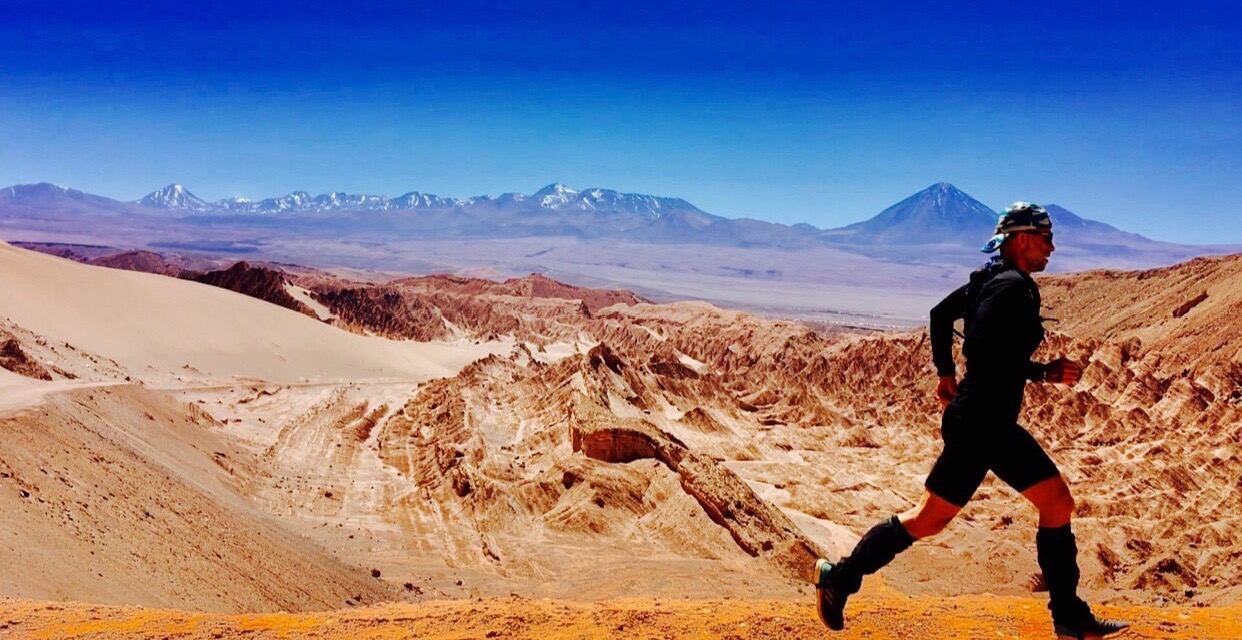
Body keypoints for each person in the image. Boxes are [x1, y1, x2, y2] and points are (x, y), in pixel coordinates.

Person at [812, 203, 1129, 639]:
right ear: (1022, 239)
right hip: (984, 423)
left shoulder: (990, 280)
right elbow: (987, 352)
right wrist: (1045, 373)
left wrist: (945, 374)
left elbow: (940, 316)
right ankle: (1069, 618)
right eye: (1046, 238)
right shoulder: (1011, 288)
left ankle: (839, 578)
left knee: (933, 518)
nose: (1052, 248)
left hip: (980, 420)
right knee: (1048, 504)